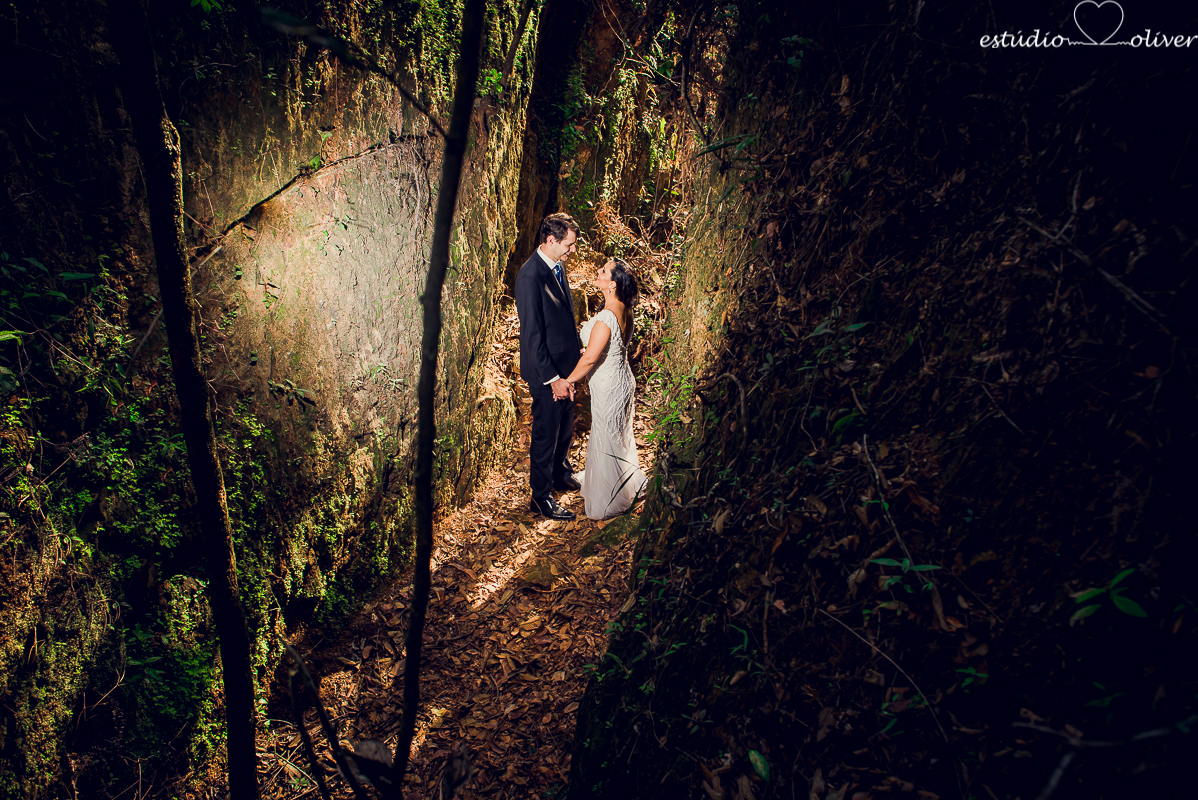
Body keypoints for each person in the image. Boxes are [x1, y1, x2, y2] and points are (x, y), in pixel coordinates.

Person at [563, 258, 647, 520]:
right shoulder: (625, 309)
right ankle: (623, 485)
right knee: (616, 434)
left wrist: (568, 380)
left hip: (610, 384)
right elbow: (610, 347)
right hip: (621, 379)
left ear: (612, 284)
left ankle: (608, 499)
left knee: (606, 435)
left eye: (603, 271)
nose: (597, 273)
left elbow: (590, 359)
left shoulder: (607, 316)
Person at [515, 212, 583, 520]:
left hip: (567, 365)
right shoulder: (530, 277)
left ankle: (560, 474)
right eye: (568, 244)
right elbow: (532, 336)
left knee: (565, 426)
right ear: (551, 240)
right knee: (546, 434)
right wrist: (553, 378)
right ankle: (540, 497)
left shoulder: (558, 264)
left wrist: (576, 351)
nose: (572, 250)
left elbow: (563, 316)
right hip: (547, 373)